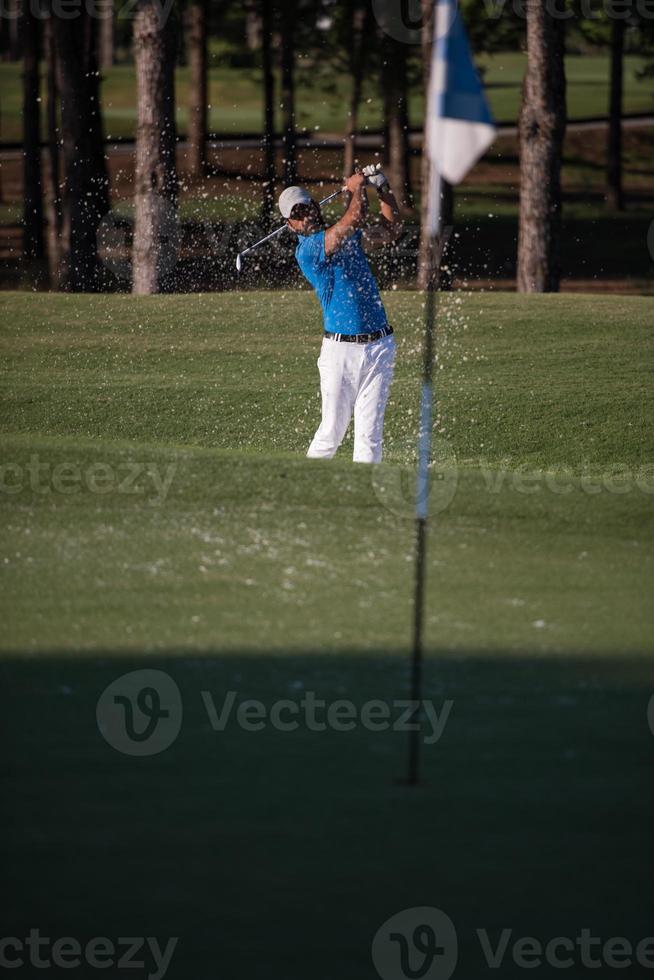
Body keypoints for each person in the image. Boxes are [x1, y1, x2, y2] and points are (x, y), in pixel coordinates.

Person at [278, 167, 403, 464]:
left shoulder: (350, 237)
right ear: (290, 225)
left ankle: (361, 502)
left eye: (306, 205)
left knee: (369, 437)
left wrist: (383, 188)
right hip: (340, 352)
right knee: (331, 432)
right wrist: (357, 188)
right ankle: (307, 494)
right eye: (297, 212)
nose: (304, 213)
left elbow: (391, 231)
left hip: (379, 347)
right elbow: (353, 218)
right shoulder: (308, 251)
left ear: (316, 206)